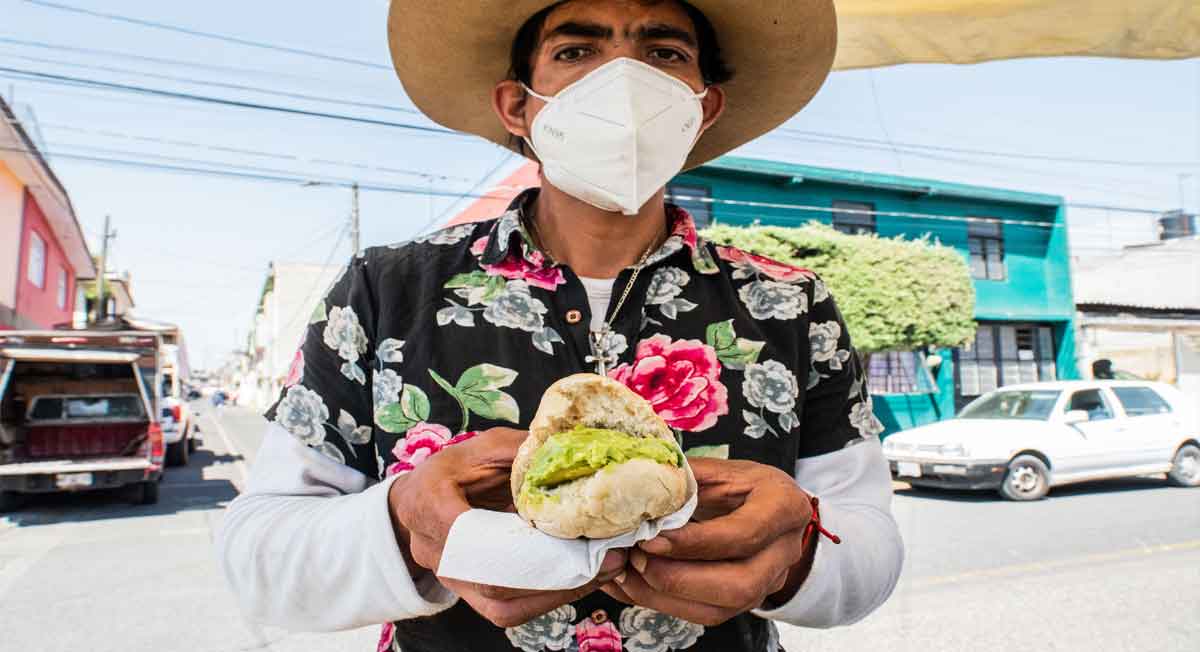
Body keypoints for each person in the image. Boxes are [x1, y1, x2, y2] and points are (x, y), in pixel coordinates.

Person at [217, 1, 904, 650]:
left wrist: (799, 550)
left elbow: (868, 543)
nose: (623, 79)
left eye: (664, 52)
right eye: (577, 49)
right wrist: (405, 524)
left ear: (704, 109)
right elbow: (260, 553)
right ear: (518, 105)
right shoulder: (386, 290)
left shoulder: (789, 304)